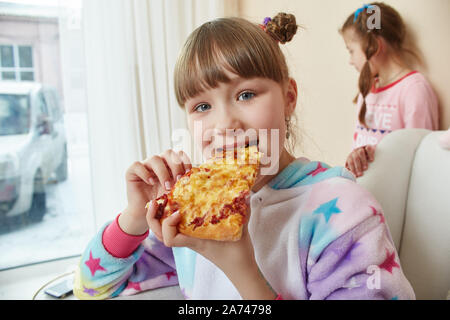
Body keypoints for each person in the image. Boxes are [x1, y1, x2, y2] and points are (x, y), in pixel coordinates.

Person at [73, 13, 415, 300]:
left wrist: (241, 268)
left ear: (289, 98)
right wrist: (133, 218)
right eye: (202, 106)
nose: (225, 124)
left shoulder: (345, 213)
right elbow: (92, 288)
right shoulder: (190, 212)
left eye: (246, 94)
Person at [341, 2, 439, 177]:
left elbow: (422, 160)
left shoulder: (413, 90)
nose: (350, 60)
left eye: (351, 51)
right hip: (362, 191)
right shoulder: (367, 90)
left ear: (375, 47)